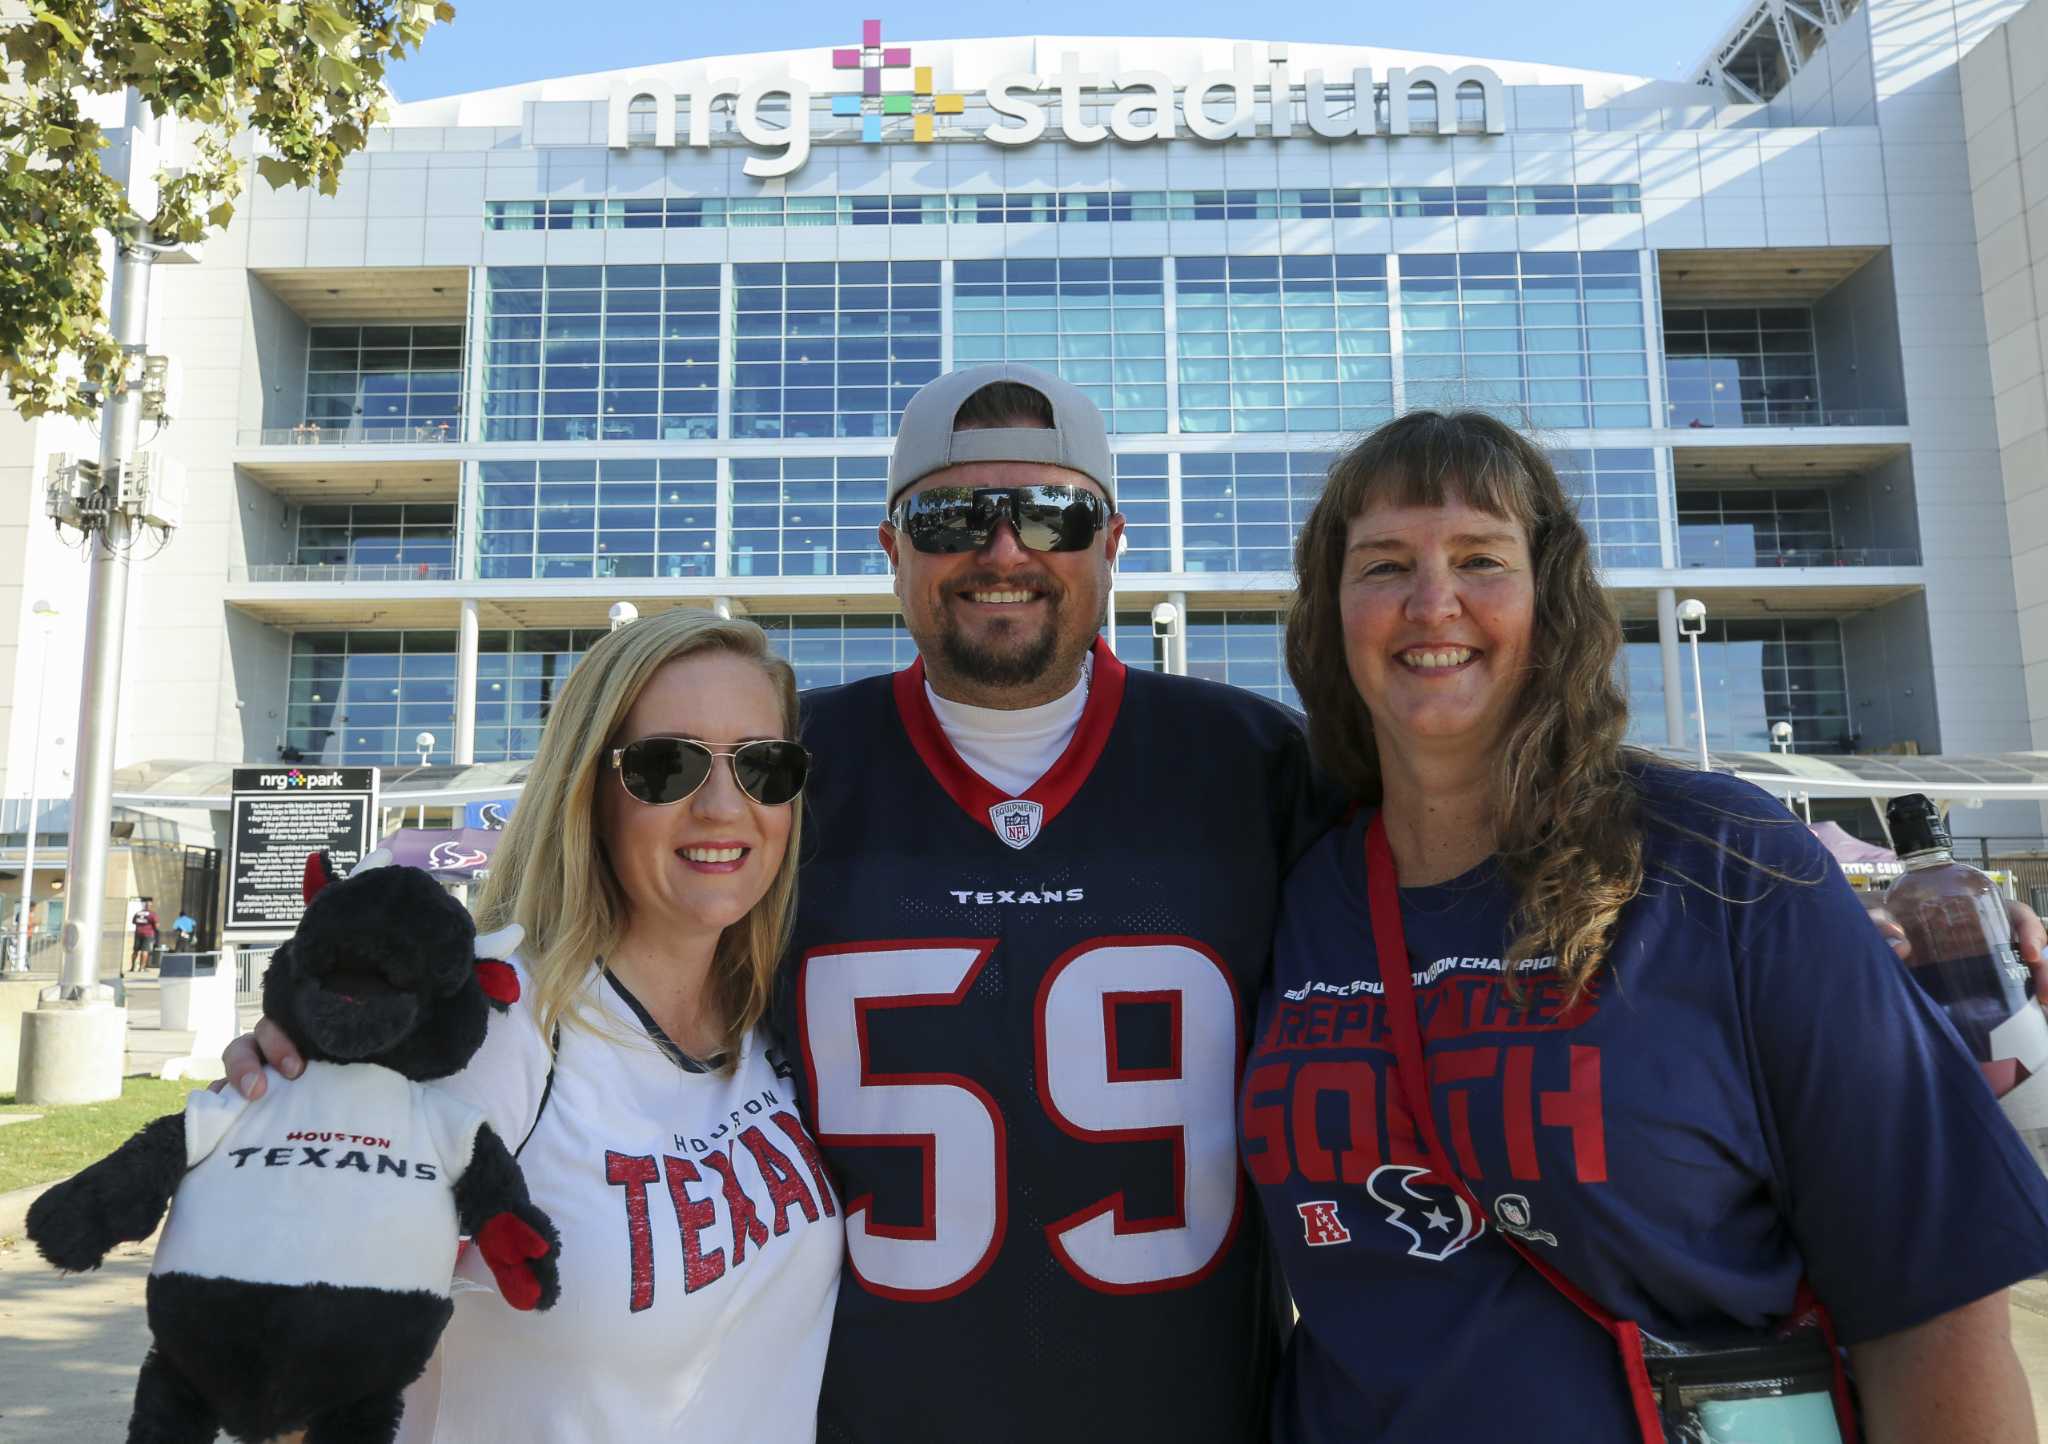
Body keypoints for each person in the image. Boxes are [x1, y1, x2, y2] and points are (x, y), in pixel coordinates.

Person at [1241, 409, 2048, 1443]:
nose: (1429, 600)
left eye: (1479, 558)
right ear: (1330, 612)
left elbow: (1928, 1293)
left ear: (1551, 598)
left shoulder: (1725, 863)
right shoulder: (1297, 886)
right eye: (1382, 563)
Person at [775, 363, 1342, 1442]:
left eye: (1051, 513)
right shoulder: (782, 767)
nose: (1003, 550)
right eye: (951, 515)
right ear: (891, 548)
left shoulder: (1255, 765)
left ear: (1111, 541)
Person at [227, 610, 842, 1439]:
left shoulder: (773, 1018)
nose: (726, 805)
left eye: (764, 765)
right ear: (587, 791)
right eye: (668, 765)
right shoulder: (485, 1026)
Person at [129, 899, 159, 973]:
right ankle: (142, 968)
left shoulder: (138, 913)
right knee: (145, 951)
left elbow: (133, 922)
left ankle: (133, 967)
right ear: (151, 906)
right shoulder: (152, 914)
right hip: (148, 934)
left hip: (138, 933)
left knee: (135, 950)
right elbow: (157, 925)